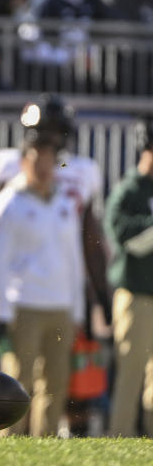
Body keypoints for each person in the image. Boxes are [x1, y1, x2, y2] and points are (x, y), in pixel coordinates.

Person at [0, 112, 86, 437]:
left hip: (59, 306)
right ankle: (7, 447)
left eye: (50, 159)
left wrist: (77, 307)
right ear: (25, 161)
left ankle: (45, 449)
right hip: (23, 305)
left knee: (55, 384)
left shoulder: (64, 204)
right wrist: (1, 307)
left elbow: (73, 257)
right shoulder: (8, 203)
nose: (44, 166)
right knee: (17, 384)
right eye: (38, 158)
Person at [104, 120, 153, 437]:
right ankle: (119, 437)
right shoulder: (129, 189)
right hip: (136, 296)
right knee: (131, 376)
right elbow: (122, 236)